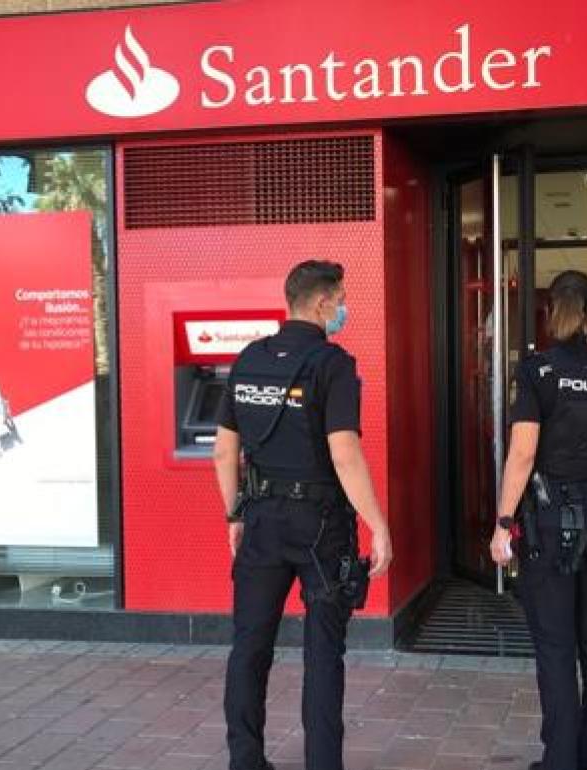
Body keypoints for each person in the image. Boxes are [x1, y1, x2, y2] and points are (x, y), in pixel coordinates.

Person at [213, 260, 393, 770]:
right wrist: (378, 526)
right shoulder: (333, 365)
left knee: (249, 645)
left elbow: (225, 454)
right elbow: (345, 454)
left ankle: (245, 760)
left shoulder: (248, 359)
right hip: (321, 525)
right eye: (339, 300)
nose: (341, 310)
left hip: (262, 520)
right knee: (322, 654)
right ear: (320, 303)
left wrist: (234, 515)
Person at [489, 270, 587, 770]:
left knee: (556, 648)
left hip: (551, 521)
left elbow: (521, 454)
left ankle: (560, 760)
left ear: (551, 311)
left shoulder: (539, 371)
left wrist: (502, 522)